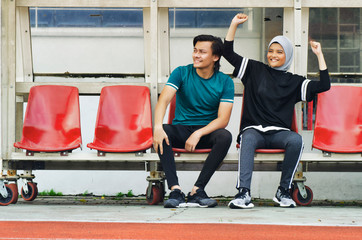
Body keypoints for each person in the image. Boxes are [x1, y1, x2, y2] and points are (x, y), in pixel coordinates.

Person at [223, 14, 330, 208]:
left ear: (287, 55)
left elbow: (324, 85)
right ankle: (243, 193)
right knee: (247, 138)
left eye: (279, 52)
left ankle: (283, 191)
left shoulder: (295, 82)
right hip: (254, 131)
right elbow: (227, 53)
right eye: (271, 50)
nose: (273, 55)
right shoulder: (254, 69)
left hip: (279, 133)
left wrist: (319, 54)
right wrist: (234, 25)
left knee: (296, 140)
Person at [153, 34, 234, 208]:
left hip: (205, 132)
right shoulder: (181, 72)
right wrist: (157, 126)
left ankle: (197, 190)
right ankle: (175, 190)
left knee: (225, 136)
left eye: (202, 52)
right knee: (163, 132)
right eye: (195, 50)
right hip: (181, 128)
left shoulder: (225, 81)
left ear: (215, 57)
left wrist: (199, 132)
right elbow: (164, 101)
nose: (196, 55)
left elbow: (223, 119)